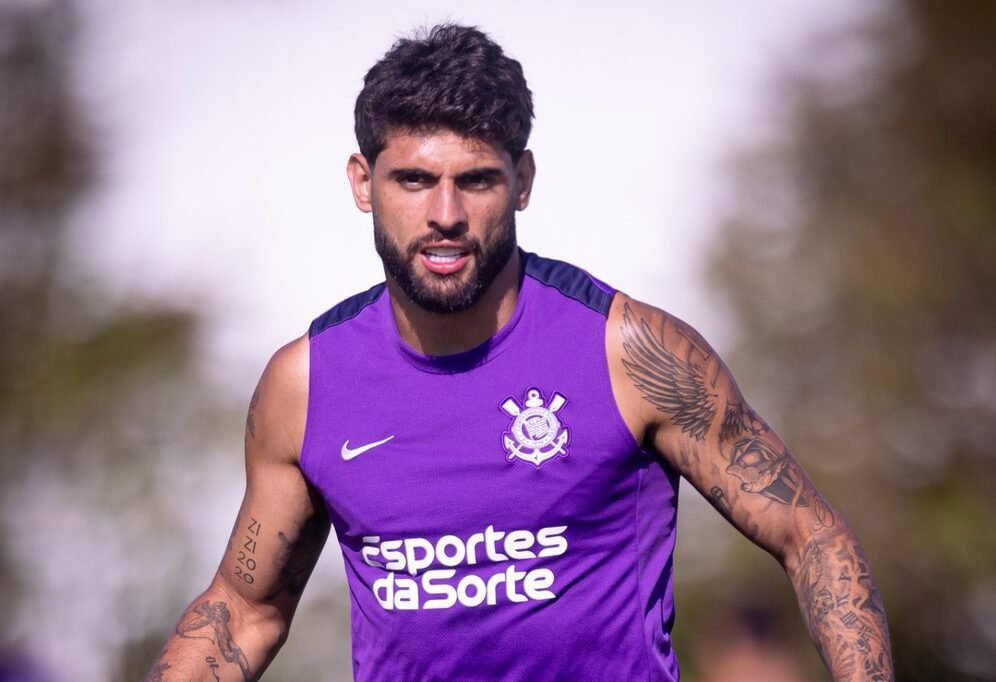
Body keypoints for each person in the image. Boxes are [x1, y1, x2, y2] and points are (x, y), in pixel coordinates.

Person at [147, 24, 894, 682]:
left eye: (476, 181)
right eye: (414, 180)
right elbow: (243, 613)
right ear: (362, 183)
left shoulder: (631, 354)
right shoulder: (306, 385)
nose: (445, 215)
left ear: (523, 182)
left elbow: (812, 536)